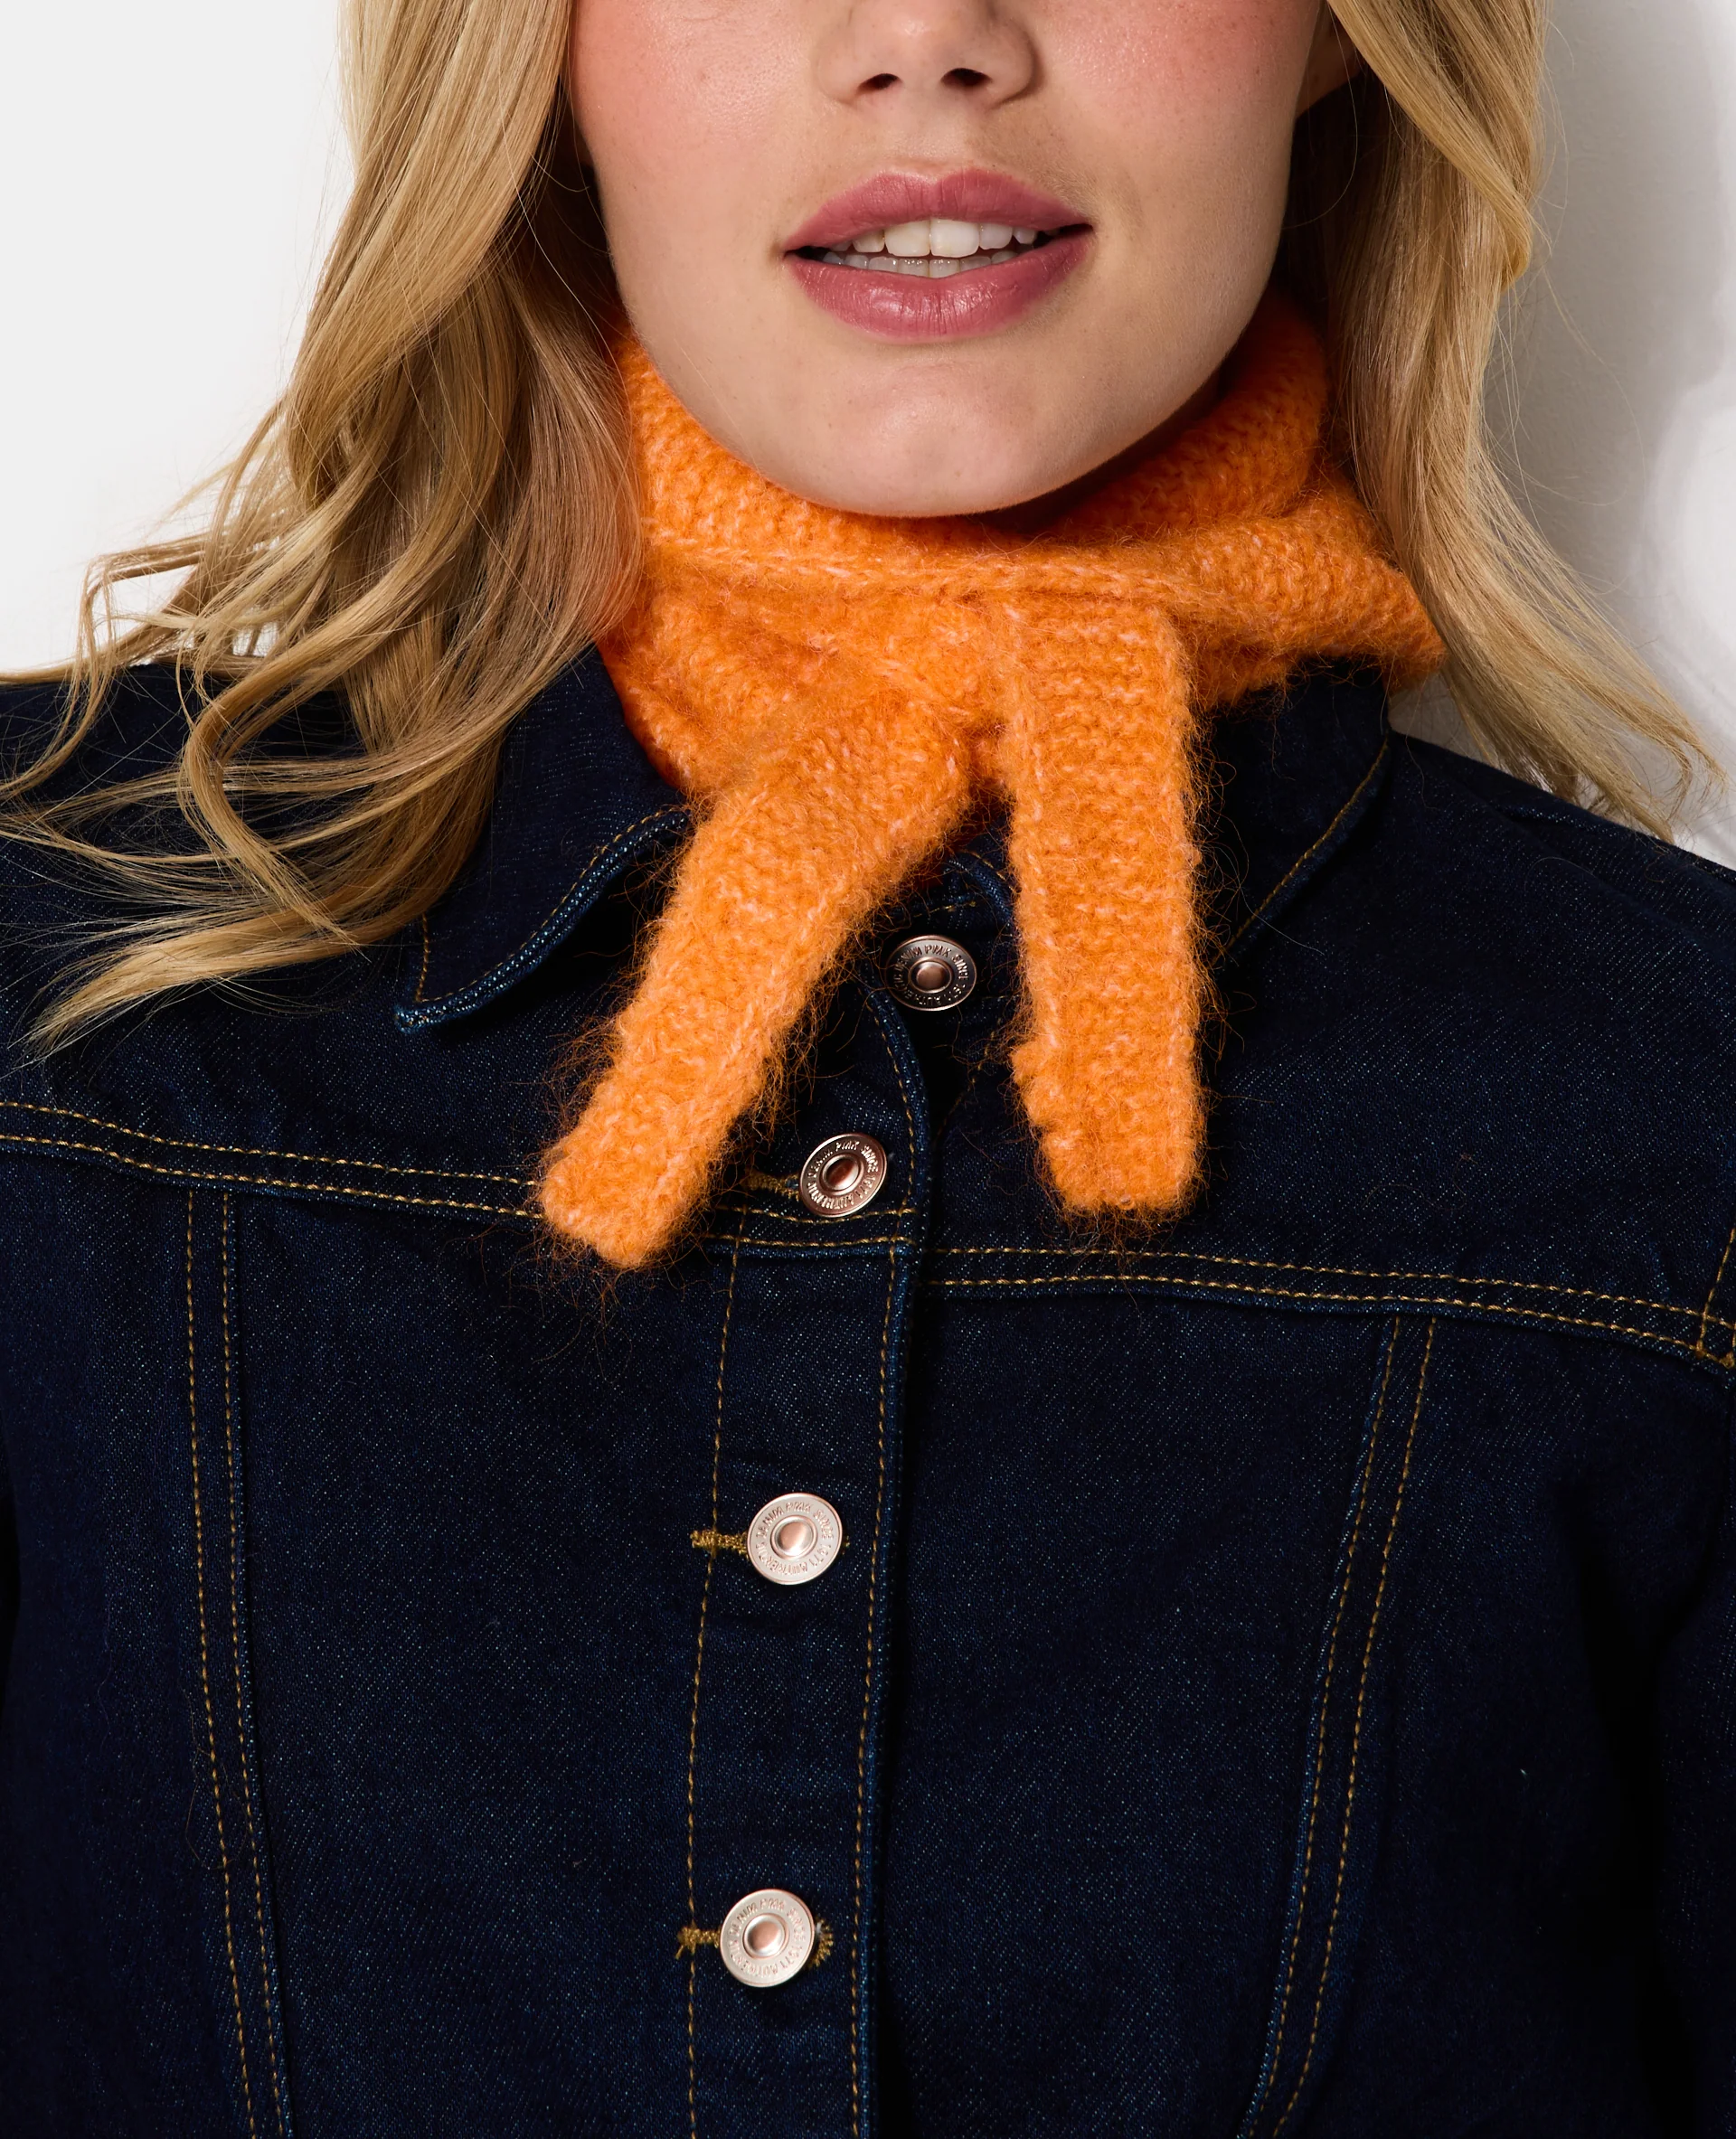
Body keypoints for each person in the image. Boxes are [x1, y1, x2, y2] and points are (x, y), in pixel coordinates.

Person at [1, 0, 1731, 2131]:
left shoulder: (1687, 1115)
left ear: (1340, 39)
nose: (927, 35)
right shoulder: (48, 968)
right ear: (534, 53)